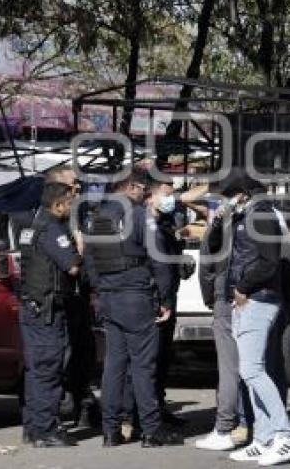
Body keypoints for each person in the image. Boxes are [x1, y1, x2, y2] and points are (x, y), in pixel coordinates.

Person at [83, 170, 183, 448]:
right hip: (135, 296)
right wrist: (165, 300)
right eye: (143, 189)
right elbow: (160, 260)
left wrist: (99, 291)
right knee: (143, 365)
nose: (146, 194)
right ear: (131, 187)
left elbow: (89, 260)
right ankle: (151, 430)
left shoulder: (96, 218)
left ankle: (110, 430)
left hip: (108, 297)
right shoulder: (139, 215)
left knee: (114, 365)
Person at [218, 168, 290, 465]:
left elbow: (268, 263)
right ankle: (265, 437)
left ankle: (285, 435)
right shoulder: (249, 215)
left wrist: (242, 287)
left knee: (253, 371)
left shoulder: (261, 215)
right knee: (250, 370)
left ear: (242, 193)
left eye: (230, 195)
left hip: (259, 298)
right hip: (249, 299)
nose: (227, 201)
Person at [18, 182, 82, 447]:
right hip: (46, 311)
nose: (71, 207)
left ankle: (34, 427)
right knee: (48, 369)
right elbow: (72, 267)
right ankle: (46, 430)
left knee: (37, 370)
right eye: (68, 203)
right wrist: (80, 247)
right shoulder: (53, 229)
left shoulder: (32, 225)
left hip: (33, 307)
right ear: (57, 205)